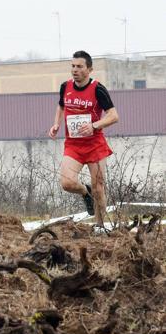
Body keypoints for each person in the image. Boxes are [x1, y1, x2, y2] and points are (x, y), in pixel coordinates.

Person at [49, 50, 119, 231]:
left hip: (94, 144)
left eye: (79, 66)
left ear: (89, 69)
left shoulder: (98, 89)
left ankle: (100, 226)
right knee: (67, 182)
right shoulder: (65, 86)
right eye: (72, 66)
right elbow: (61, 105)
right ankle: (84, 192)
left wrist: (94, 125)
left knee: (99, 187)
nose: (75, 70)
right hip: (73, 144)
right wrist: (56, 124)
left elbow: (113, 116)